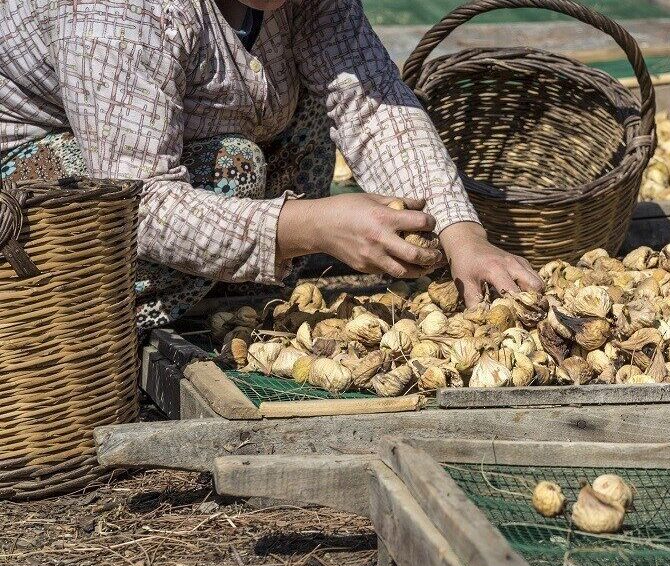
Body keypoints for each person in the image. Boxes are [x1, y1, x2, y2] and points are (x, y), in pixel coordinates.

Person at [0, 0, 543, 331]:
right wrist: (310, 225)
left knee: (309, 105)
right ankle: (118, 328)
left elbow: (370, 104)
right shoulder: (117, 12)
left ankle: (230, 302)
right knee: (235, 167)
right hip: (35, 189)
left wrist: (462, 236)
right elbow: (138, 200)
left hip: (178, 137)